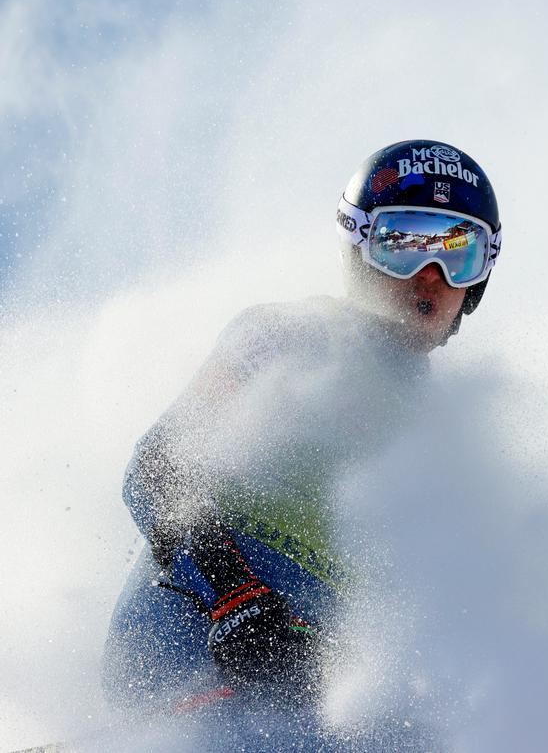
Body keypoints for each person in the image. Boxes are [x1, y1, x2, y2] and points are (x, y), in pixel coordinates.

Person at [102, 140, 503, 721]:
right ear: (359, 249)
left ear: (479, 280)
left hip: (315, 674)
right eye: (403, 246)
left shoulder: (453, 434)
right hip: (193, 632)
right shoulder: (287, 338)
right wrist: (236, 594)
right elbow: (155, 468)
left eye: (457, 255)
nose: (430, 278)